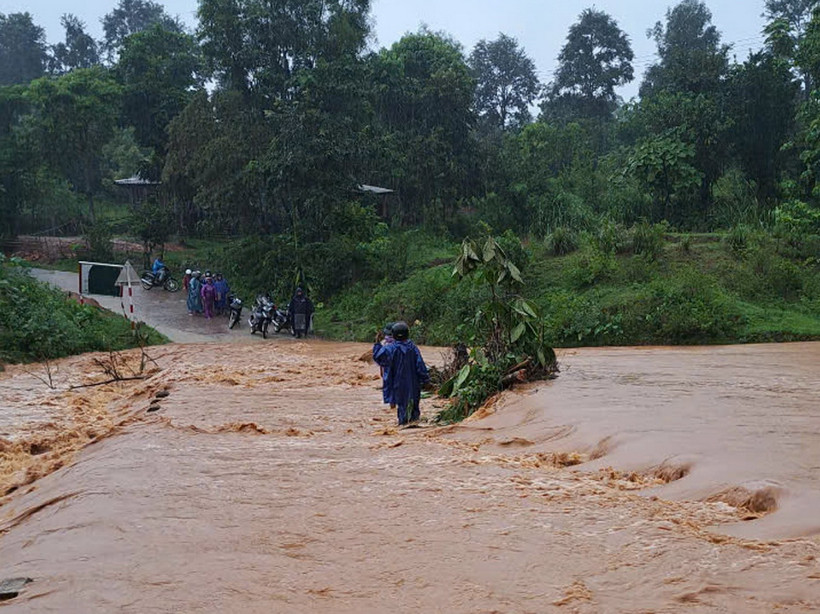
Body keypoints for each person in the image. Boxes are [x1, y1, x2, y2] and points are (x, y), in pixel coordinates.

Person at [372, 321, 429, 426]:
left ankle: (404, 425)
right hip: (413, 384)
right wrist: (425, 380)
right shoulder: (413, 348)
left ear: (393, 335)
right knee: (414, 406)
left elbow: (378, 357)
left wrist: (377, 343)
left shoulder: (389, 349)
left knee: (402, 407)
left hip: (397, 384)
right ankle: (413, 426)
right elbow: (420, 365)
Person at [379, 323, 396, 409]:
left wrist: (382, 372)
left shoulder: (383, 343)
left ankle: (392, 407)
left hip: (387, 370)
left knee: (391, 390)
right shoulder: (403, 342)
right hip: (400, 369)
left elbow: (379, 359)